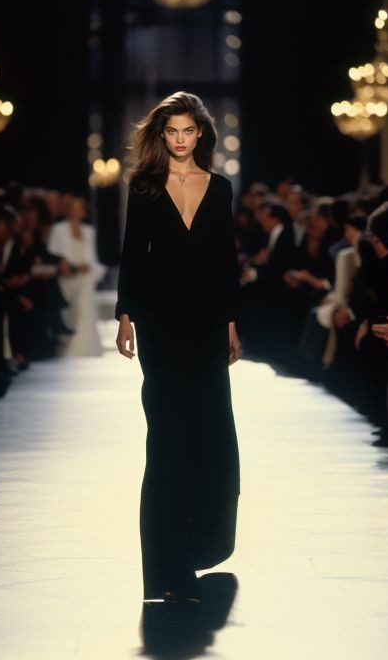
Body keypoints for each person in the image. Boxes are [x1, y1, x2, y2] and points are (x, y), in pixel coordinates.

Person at [114, 91, 241, 604]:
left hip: (209, 325)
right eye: (172, 131)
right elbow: (132, 255)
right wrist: (125, 315)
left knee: (209, 437)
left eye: (189, 131)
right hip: (162, 328)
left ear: (201, 134)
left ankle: (198, 547)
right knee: (166, 441)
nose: (181, 140)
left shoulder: (221, 188)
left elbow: (226, 259)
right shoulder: (144, 187)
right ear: (161, 135)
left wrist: (231, 321)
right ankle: (166, 569)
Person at [47, 196, 106, 357]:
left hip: (84, 276)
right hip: (65, 277)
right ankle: (68, 343)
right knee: (72, 305)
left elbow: (92, 257)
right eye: (73, 207)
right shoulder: (58, 229)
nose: (76, 210)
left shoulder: (89, 231)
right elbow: (52, 253)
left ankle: (82, 345)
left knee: (85, 293)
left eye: (79, 207)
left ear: (84, 211)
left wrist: (87, 267)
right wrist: (68, 266)